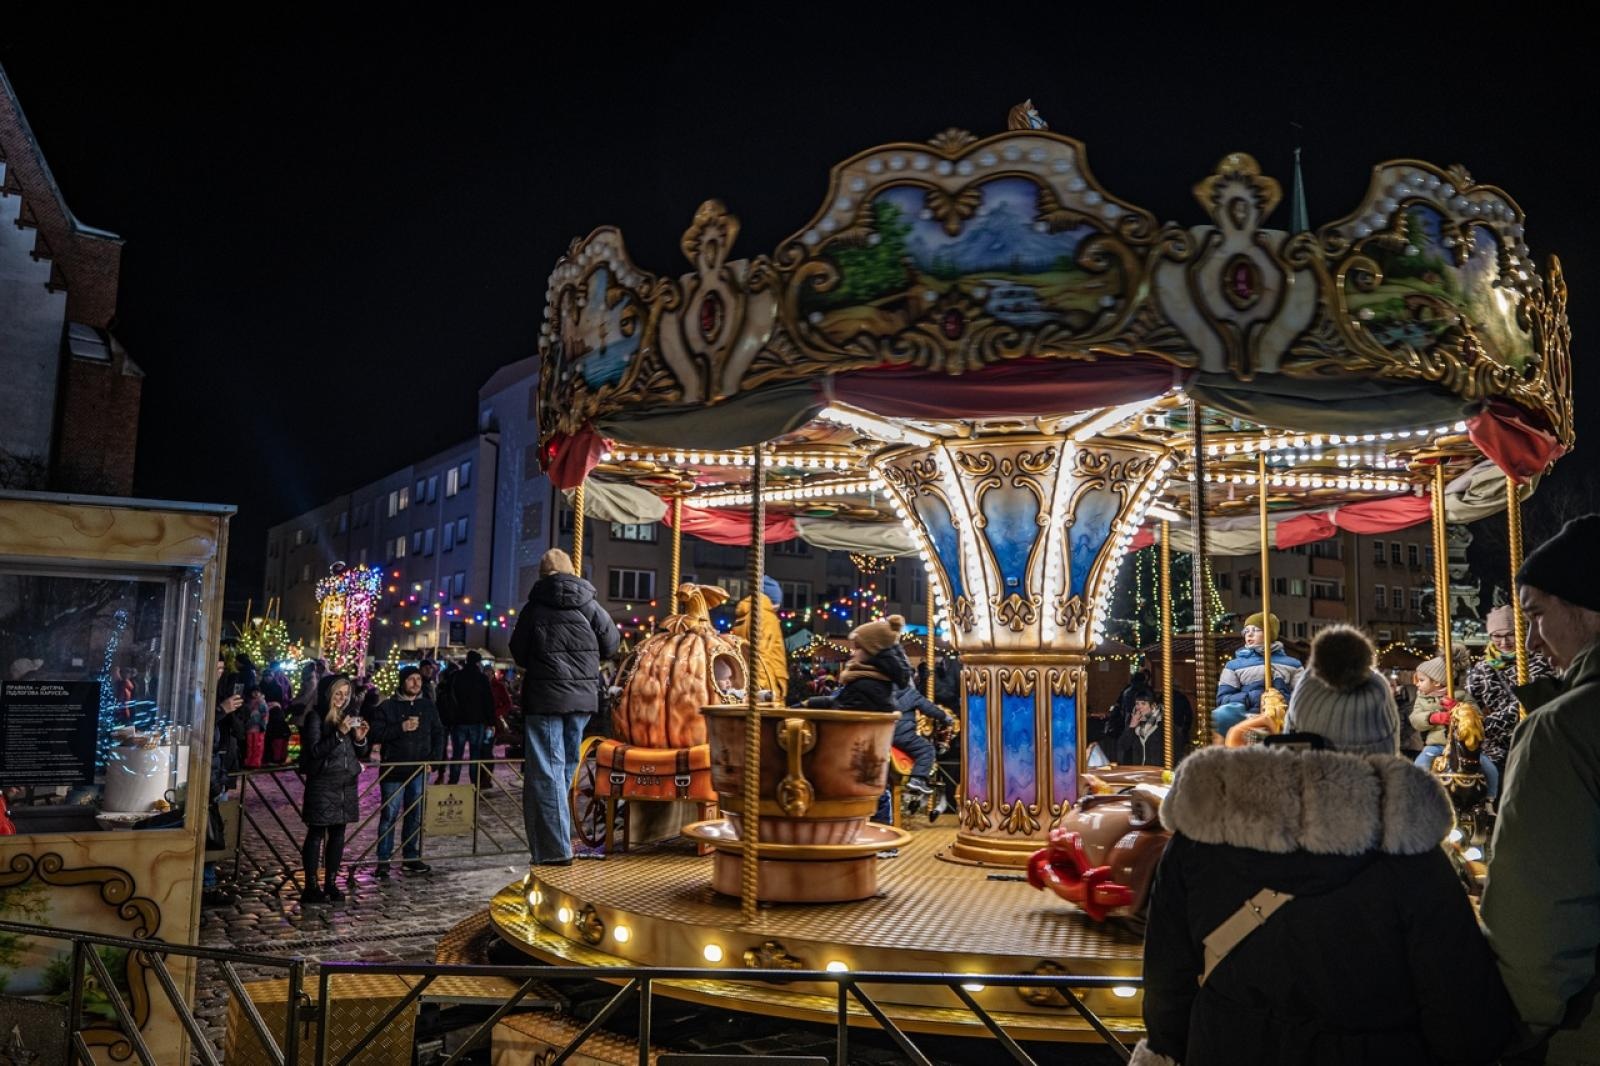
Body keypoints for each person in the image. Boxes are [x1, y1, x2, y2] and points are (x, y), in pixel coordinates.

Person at [1137, 625, 1512, 1065]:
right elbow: (1461, 1013)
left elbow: (1166, 986)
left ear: (1293, 728)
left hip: (1227, 1044)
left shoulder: (1202, 836)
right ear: (1383, 743)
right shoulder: (1414, 860)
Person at [1482, 515, 1600, 1062]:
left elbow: (1540, 913)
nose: (1532, 639)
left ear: (1586, 607)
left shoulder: (1564, 729)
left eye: (1537, 616)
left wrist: (1520, 1030)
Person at [508, 549, 620, 866]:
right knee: (566, 767)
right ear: (572, 572)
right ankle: (560, 838)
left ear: (543, 576)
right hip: (582, 700)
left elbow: (518, 652)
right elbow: (612, 644)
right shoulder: (590, 604)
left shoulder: (534, 607)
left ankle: (555, 850)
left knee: (548, 772)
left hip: (545, 698)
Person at [297, 674, 370, 904]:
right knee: (317, 833)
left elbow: (358, 753)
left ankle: (330, 883)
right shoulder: (315, 717)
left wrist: (360, 739)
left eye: (346, 694)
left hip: (345, 785)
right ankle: (311, 886)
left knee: (338, 835)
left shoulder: (347, 716)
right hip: (323, 784)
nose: (342, 698)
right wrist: (339, 733)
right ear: (329, 693)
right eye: (338, 693)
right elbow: (316, 751)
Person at [1467, 603, 1554, 791]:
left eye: (1510, 634)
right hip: (1494, 747)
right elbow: (1471, 701)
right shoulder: (1482, 668)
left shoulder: (1539, 663)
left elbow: (1525, 705)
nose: (1504, 641)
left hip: (1532, 739)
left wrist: (1484, 725)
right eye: (1497, 636)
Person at [368, 665, 443, 877]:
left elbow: (438, 733)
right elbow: (376, 732)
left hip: (419, 769)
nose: (416, 683)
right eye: (411, 679)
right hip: (394, 769)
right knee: (389, 814)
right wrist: (400, 728)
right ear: (402, 682)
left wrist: (434, 761)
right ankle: (384, 860)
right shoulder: (387, 707)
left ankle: (411, 857)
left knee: (415, 814)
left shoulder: (428, 706)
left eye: (418, 679)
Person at [1211, 612, 1301, 741]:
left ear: (1270, 633)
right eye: (1246, 631)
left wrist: (1281, 697)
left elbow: (1300, 697)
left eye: (1256, 630)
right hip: (1248, 720)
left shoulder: (1293, 664)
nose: (1249, 634)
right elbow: (1223, 699)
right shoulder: (1233, 666)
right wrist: (1252, 697)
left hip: (1282, 720)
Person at [806, 615, 910, 711]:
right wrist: (810, 702)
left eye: (858, 648)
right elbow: (840, 701)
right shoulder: (877, 681)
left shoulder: (864, 686)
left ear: (871, 650)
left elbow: (839, 714)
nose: (853, 653)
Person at [732, 575, 789, 702]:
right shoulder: (765, 617)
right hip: (765, 683)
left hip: (744, 677)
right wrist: (762, 689)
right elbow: (762, 654)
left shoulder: (744, 615)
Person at [448, 651, 496, 788]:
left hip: (459, 721)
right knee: (475, 756)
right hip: (477, 722)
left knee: (457, 755)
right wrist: (491, 722)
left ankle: (453, 782)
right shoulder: (481, 678)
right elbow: (488, 701)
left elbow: (449, 698)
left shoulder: (456, 676)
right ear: (477, 662)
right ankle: (474, 785)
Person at [1113, 696, 1165, 766]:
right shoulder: (1134, 723)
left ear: (1153, 706)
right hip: (1138, 771)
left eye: (1143, 704)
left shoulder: (1162, 725)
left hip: (1156, 772)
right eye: (1137, 704)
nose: (1139, 707)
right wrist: (1131, 726)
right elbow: (1123, 746)